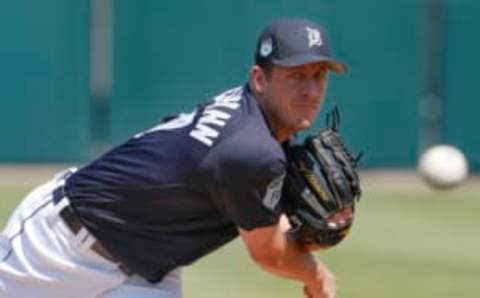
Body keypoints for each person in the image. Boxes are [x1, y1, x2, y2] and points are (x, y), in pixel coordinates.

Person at [0, 18, 350, 298]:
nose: (310, 90)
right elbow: (270, 253)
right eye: (297, 75)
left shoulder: (256, 120)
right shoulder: (251, 150)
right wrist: (316, 275)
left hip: (144, 270)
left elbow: (264, 222)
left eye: (319, 76)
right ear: (259, 79)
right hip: (56, 249)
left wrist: (308, 234)